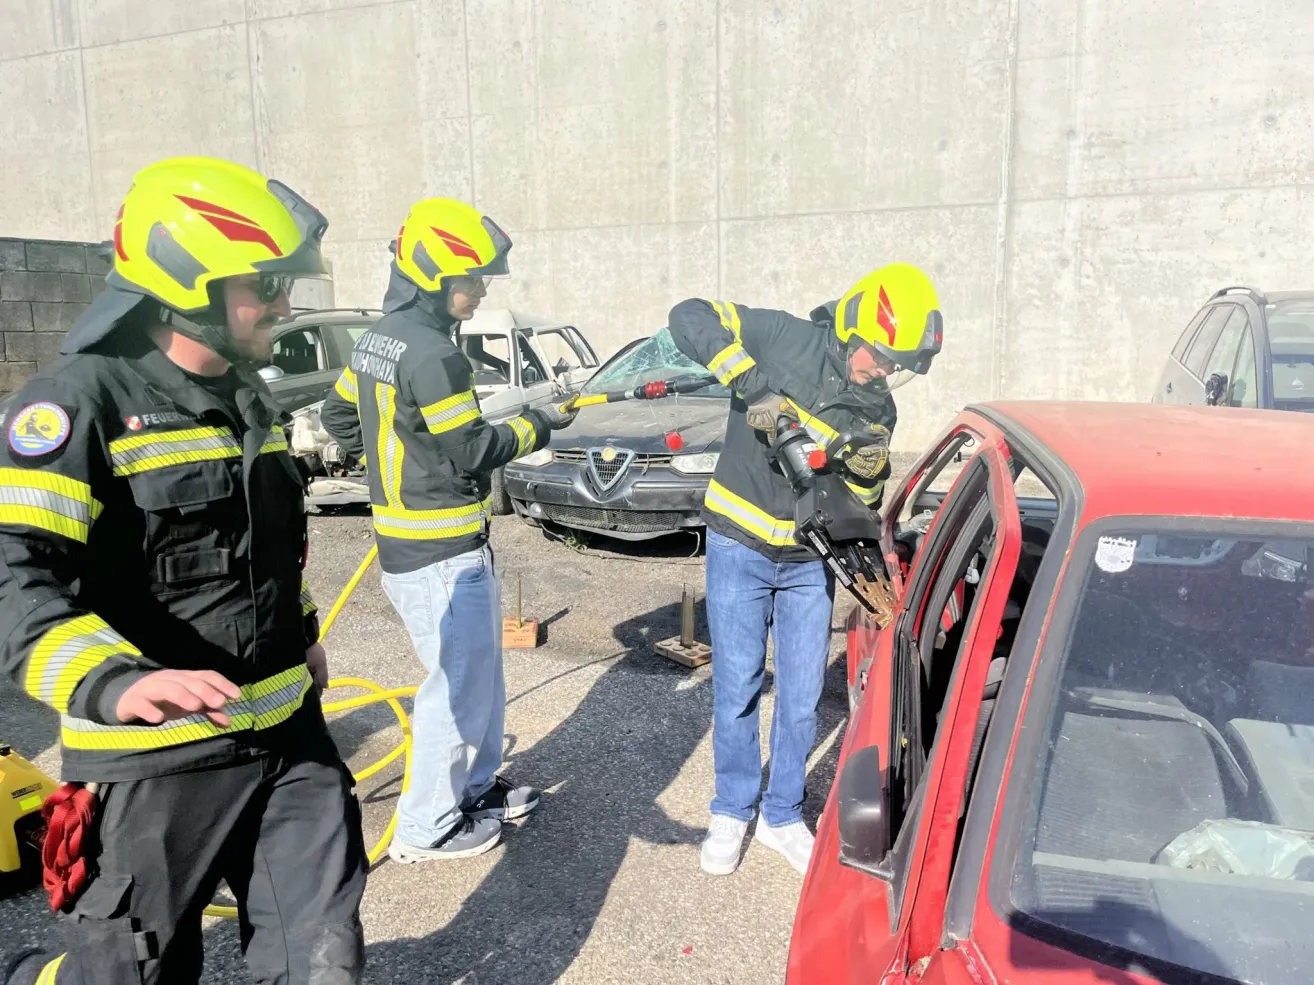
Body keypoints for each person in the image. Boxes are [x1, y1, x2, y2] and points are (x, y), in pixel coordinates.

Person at [0, 157, 367, 985]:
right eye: (266, 284)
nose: (283, 303)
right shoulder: (74, 405)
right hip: (151, 761)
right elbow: (16, 580)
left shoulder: (250, 395)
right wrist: (112, 682)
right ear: (186, 280)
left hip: (287, 741)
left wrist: (301, 633)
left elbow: (274, 543)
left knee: (323, 964)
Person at [320, 198, 577, 863]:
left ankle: (475, 787)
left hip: (428, 545)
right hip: (440, 552)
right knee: (453, 689)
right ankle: (426, 826)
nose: (483, 287)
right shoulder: (435, 354)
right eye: (474, 276)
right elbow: (472, 451)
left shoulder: (380, 337)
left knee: (478, 676)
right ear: (436, 274)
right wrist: (541, 426)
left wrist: (393, 462)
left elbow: (340, 417)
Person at [666, 263, 943, 876]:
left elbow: (856, 508)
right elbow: (688, 314)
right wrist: (753, 385)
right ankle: (732, 809)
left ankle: (782, 814)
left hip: (806, 562)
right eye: (882, 355)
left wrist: (868, 476)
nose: (885, 370)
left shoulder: (878, 411)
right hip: (738, 544)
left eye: (898, 365)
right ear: (852, 328)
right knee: (736, 687)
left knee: (801, 697)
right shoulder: (783, 337)